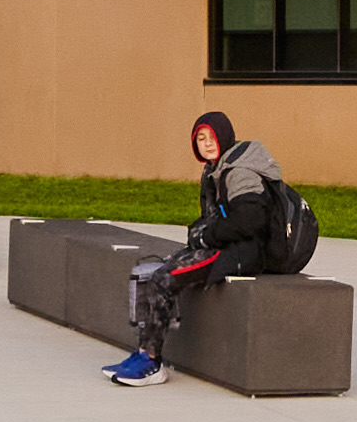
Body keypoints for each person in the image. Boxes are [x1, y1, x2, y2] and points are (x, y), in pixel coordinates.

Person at [107, 111, 315, 387]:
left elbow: (251, 220)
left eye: (211, 137)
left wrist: (207, 237)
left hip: (246, 253)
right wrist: (200, 232)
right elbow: (217, 217)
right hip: (230, 244)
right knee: (153, 272)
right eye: (200, 139)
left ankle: (151, 363)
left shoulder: (239, 171)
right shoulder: (216, 168)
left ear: (225, 136)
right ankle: (143, 353)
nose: (206, 143)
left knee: (162, 279)